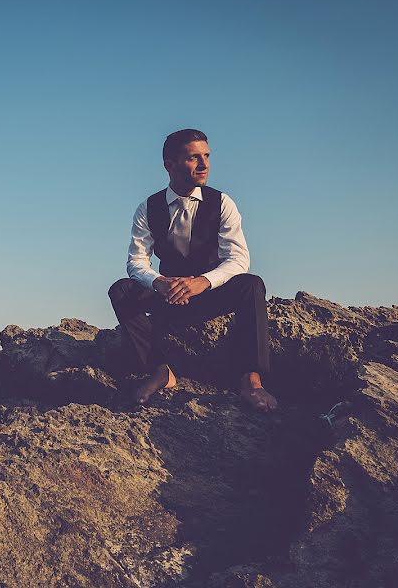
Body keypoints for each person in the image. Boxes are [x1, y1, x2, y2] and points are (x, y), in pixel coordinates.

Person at [108, 129, 277, 412]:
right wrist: (159, 283)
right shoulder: (148, 208)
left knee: (251, 284)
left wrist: (203, 282)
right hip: (169, 297)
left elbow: (237, 259)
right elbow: (136, 262)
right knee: (121, 290)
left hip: (210, 294)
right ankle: (161, 371)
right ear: (169, 165)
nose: (204, 164)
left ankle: (251, 379)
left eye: (207, 156)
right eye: (193, 158)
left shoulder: (223, 203)